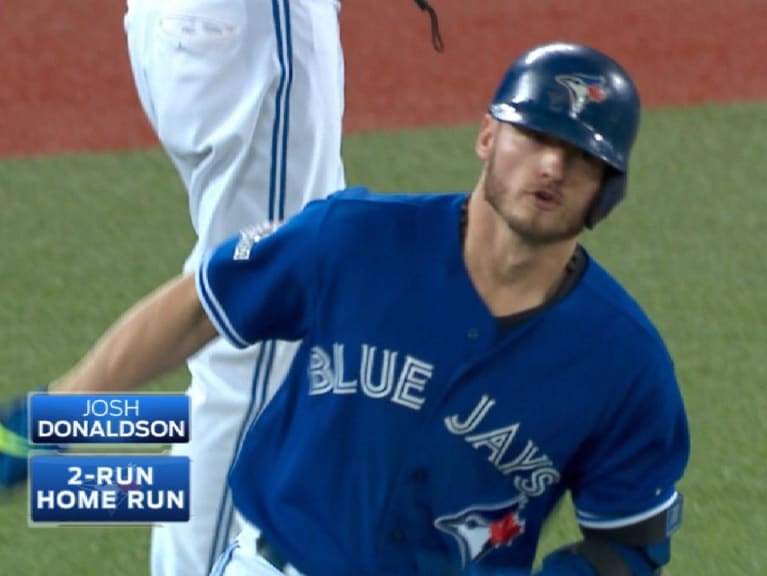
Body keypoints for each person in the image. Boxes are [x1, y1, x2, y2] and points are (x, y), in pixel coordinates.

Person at [3, 42, 689, 575]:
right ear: (487, 136)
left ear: (608, 192)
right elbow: (199, 308)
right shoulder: (357, 238)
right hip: (275, 561)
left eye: (580, 157)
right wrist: (55, 417)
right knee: (217, 409)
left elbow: (625, 543)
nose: (551, 168)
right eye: (534, 137)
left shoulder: (625, 367)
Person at [1, 0, 442, 574]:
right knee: (261, 327)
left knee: (245, 293)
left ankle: (58, 432)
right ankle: (53, 426)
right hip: (247, 29)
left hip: (197, 27)